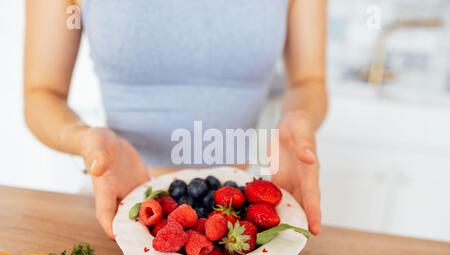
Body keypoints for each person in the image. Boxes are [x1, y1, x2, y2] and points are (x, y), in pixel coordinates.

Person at [24, 0, 327, 239]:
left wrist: (298, 120)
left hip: (235, 222)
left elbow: (308, 81)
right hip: (122, 213)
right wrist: (84, 140)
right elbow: (42, 93)